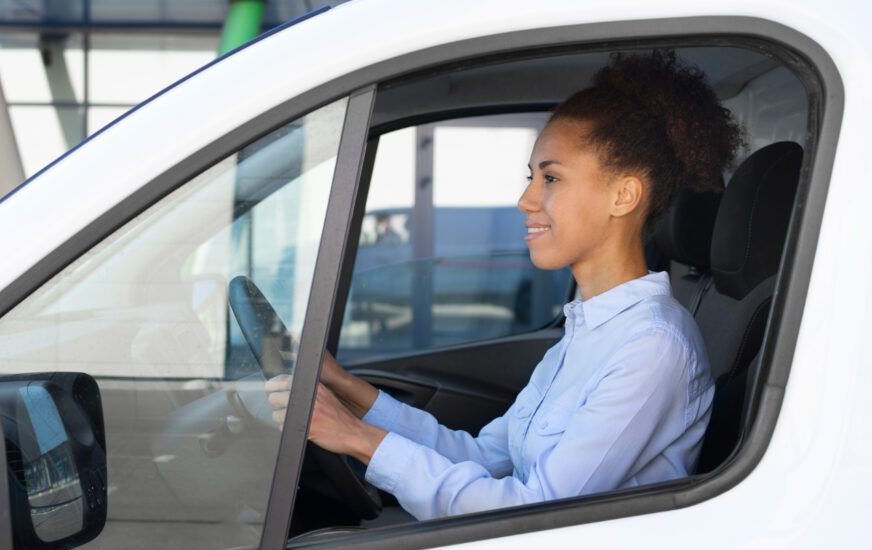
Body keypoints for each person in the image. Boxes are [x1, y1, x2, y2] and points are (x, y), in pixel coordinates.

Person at [267, 50, 744, 521]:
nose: (525, 199)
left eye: (551, 178)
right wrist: (344, 388)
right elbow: (484, 456)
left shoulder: (652, 347)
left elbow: (535, 511)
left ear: (623, 195)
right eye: (531, 177)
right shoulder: (586, 332)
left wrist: (356, 439)